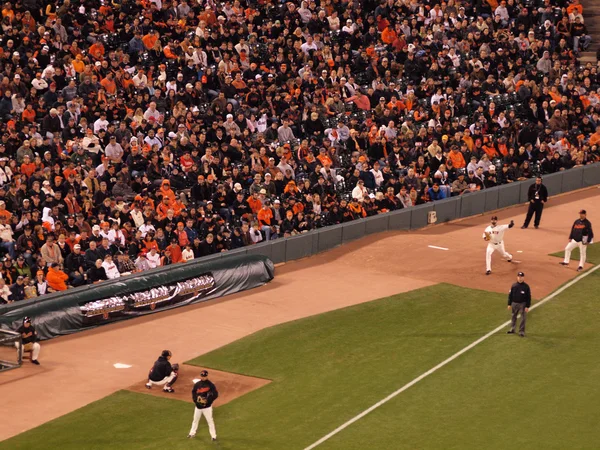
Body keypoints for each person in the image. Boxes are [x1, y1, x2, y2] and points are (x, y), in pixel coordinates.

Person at [188, 369, 219, 441]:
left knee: (210, 421)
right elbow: (193, 393)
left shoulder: (211, 385)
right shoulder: (197, 384)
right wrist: (196, 401)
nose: (203, 377)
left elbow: (215, 394)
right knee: (195, 420)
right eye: (202, 376)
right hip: (198, 407)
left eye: (204, 376)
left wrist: (207, 401)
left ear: (207, 376)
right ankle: (192, 433)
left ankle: (213, 436)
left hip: (207, 407)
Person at [507, 272, 532, 337]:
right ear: (517, 277)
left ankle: (521, 331)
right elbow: (510, 295)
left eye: (521, 277)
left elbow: (528, 297)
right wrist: (509, 304)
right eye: (519, 277)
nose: (520, 278)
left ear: (523, 278)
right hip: (514, 303)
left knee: (523, 318)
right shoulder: (514, 285)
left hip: (522, 304)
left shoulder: (526, 287)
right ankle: (512, 329)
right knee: (513, 316)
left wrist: (527, 306)